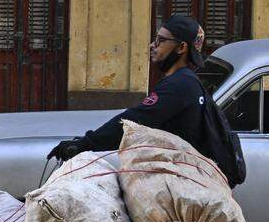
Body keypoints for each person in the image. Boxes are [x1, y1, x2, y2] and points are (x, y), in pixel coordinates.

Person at [47, 15, 212, 162]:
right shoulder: (186, 80)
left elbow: (133, 121)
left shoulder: (178, 85)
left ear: (181, 48)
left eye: (161, 40)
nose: (152, 45)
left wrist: (85, 144)